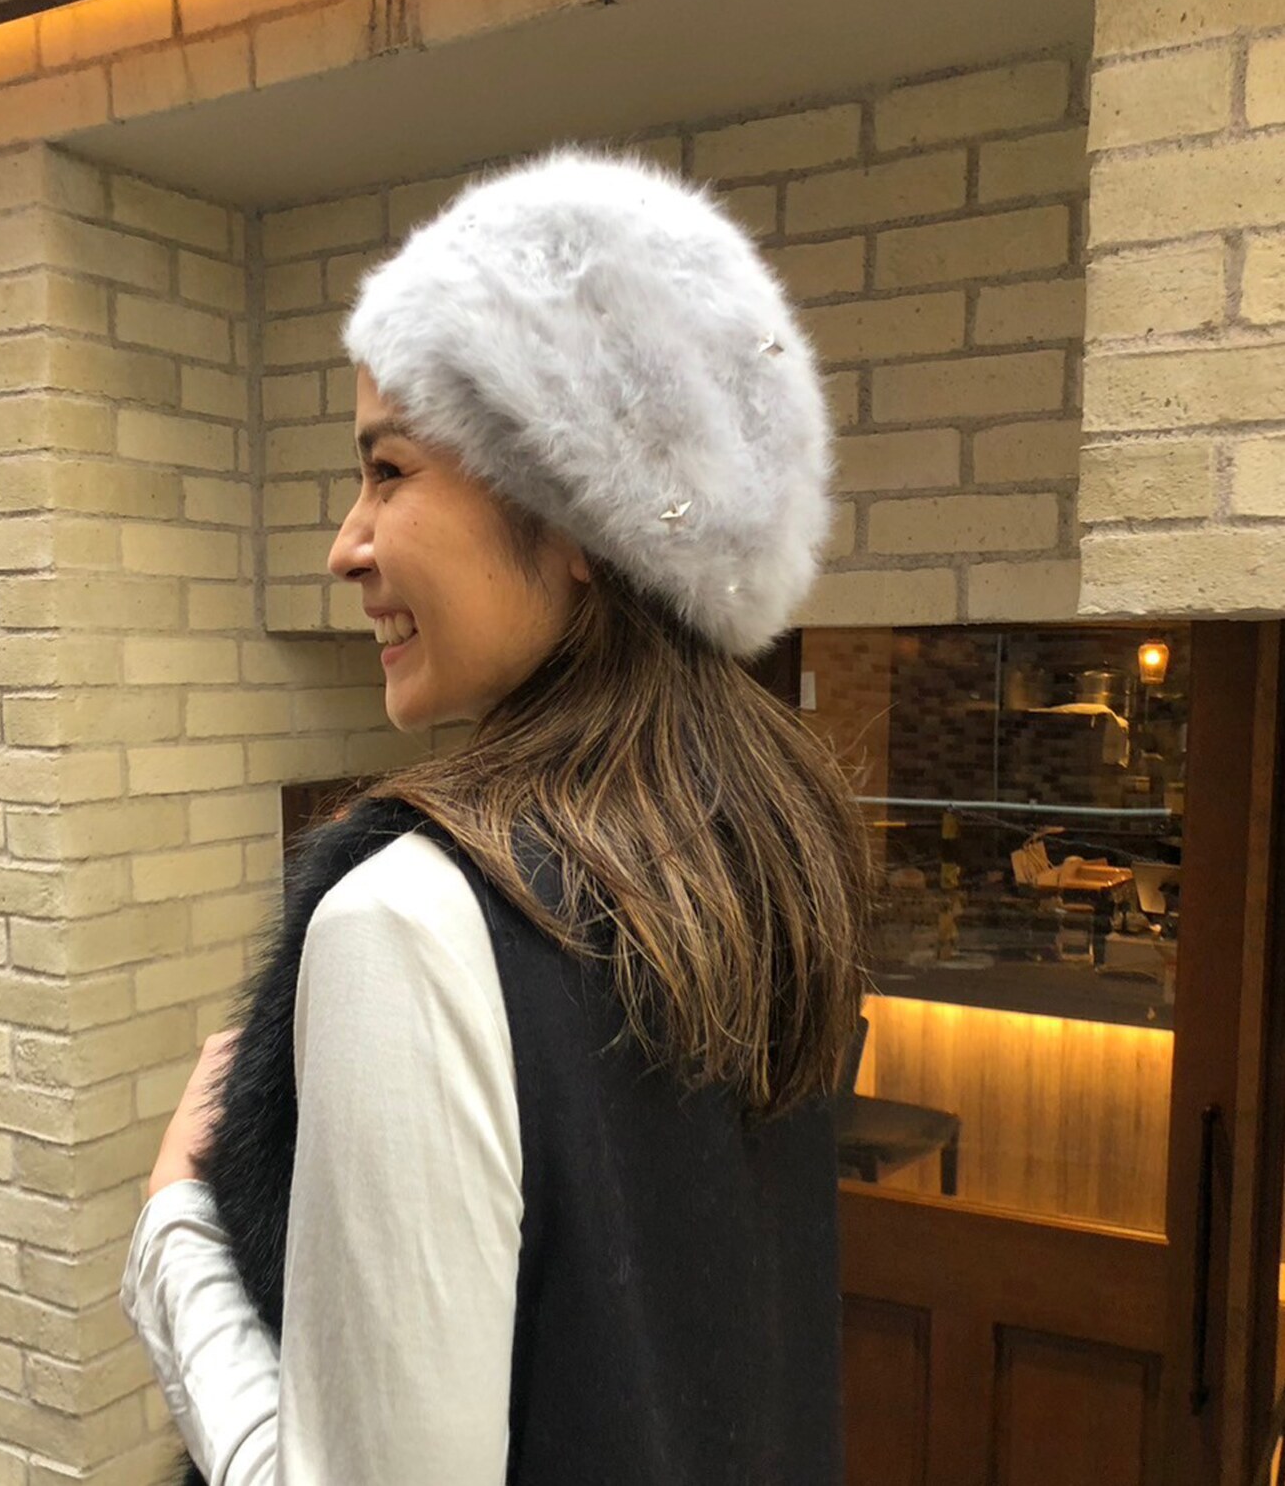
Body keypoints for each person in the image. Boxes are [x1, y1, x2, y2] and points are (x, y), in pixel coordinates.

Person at [120, 145, 874, 1486]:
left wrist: (177, 1233)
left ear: (574, 509)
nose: (345, 546)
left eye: (389, 472)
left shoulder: (411, 923)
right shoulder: (763, 857)